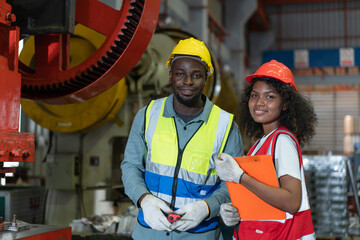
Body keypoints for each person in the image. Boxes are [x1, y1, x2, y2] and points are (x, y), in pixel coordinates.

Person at [121, 37, 243, 240]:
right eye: (180, 74)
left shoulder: (226, 126)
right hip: (150, 233)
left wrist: (206, 207)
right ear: (170, 76)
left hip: (200, 234)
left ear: (206, 78)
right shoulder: (148, 115)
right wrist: (144, 200)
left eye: (196, 75)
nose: (187, 81)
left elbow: (234, 184)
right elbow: (130, 166)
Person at [214, 60, 317, 239]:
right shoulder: (260, 143)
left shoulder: (282, 141)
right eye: (254, 95)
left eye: (270, 97)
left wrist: (240, 177)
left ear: (285, 104)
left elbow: (291, 201)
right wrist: (235, 211)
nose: (259, 103)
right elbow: (262, 197)